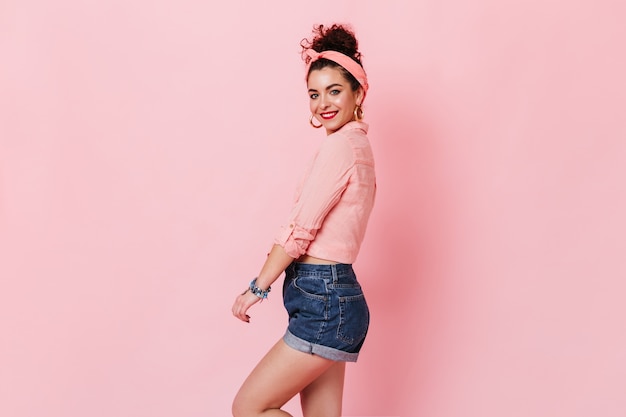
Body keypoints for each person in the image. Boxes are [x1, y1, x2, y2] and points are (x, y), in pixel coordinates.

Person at [231, 23, 376, 417]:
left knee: (249, 408)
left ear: (358, 93)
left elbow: (299, 230)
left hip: (324, 301)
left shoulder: (341, 148)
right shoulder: (358, 145)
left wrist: (256, 288)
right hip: (336, 296)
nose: (322, 103)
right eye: (314, 93)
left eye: (334, 91)